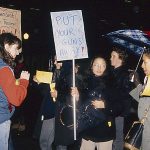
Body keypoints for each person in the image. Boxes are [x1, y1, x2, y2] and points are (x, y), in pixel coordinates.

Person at [72, 56, 123, 150]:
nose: (99, 68)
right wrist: (77, 97)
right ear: (91, 66)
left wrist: (105, 105)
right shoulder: (84, 82)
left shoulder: (112, 84)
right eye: (96, 65)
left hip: (104, 131)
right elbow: (81, 107)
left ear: (106, 67)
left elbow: (120, 107)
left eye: (102, 65)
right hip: (87, 129)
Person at [0, 32, 30, 150]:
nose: (18, 52)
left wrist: (14, 82)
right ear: (6, 46)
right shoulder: (5, 69)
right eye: (16, 48)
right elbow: (16, 100)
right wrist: (23, 81)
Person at [110, 47, 133, 150]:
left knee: (118, 137)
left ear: (120, 59)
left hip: (119, 112)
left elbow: (127, 94)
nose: (110, 58)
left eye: (113, 56)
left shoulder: (125, 74)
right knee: (110, 136)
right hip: (110, 109)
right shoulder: (111, 72)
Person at [129, 48, 150, 150]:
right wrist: (136, 82)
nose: (142, 65)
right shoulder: (148, 80)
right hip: (145, 132)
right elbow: (145, 100)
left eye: (145, 62)